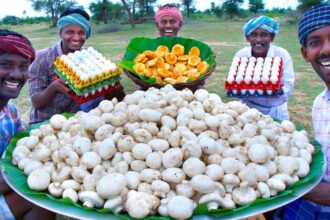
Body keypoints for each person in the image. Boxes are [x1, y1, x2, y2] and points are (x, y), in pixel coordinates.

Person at [272, 4, 330, 219]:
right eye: (316, 42)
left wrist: (292, 185)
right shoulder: (319, 102)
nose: (326, 50)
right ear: (305, 53)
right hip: (314, 204)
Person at [28, 8, 125, 124]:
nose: (76, 38)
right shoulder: (43, 59)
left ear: (86, 34)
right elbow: (37, 102)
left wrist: (112, 86)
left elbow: (112, 97)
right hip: (48, 122)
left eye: (81, 32)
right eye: (70, 32)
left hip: (79, 122)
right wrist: (53, 87)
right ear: (61, 33)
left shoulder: (93, 59)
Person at [0, 29, 56, 220]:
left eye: (23, 67)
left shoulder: (11, 111)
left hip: (7, 181)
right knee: (40, 201)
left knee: (42, 199)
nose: (16, 74)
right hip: (5, 183)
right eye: (5, 65)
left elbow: (24, 145)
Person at [234, 15, 295, 120]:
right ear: (247, 38)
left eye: (264, 35)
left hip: (275, 111)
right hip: (248, 109)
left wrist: (278, 89)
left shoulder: (281, 55)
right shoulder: (242, 56)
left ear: (271, 37)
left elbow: (288, 87)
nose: (258, 39)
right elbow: (236, 87)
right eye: (253, 34)